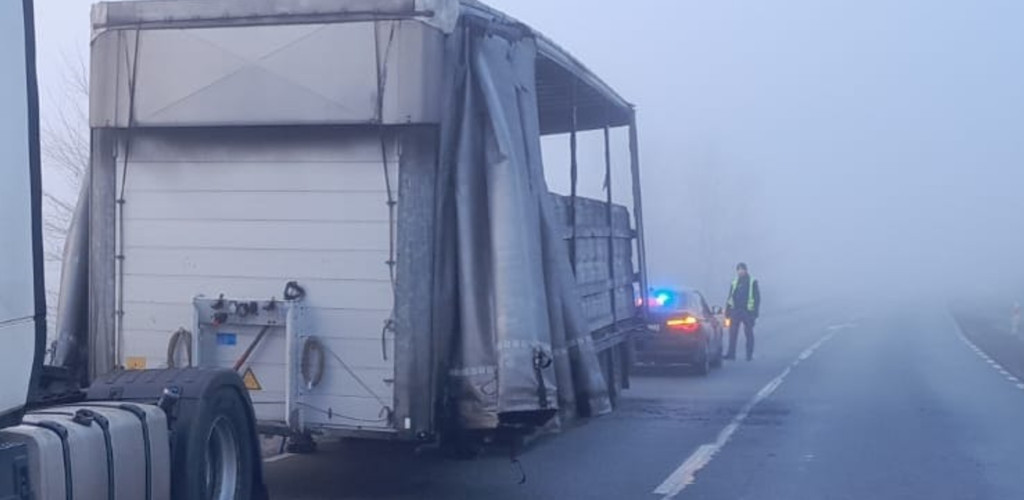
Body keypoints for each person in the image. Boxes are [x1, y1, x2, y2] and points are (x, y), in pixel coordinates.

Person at [725, 262, 761, 361]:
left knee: (748, 333)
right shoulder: (734, 282)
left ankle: (749, 355)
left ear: (746, 270)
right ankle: (731, 354)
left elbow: (757, 298)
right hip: (735, 311)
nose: (740, 271)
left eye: (742, 269)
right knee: (732, 333)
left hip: (747, 312)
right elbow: (730, 297)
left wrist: (755, 314)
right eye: (738, 269)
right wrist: (727, 310)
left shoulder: (752, 282)